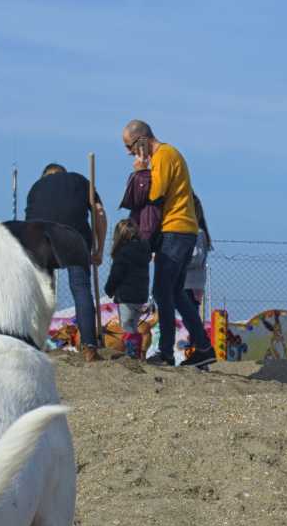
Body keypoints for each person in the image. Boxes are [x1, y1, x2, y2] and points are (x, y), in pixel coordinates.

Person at [123, 120, 214, 367]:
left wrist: (141, 170)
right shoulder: (169, 154)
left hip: (175, 229)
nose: (129, 152)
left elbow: (155, 194)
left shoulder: (163, 155)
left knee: (161, 292)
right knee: (176, 293)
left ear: (141, 139)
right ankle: (204, 347)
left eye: (129, 145)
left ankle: (165, 353)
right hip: (184, 230)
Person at [23, 162, 107, 361]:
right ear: (64, 174)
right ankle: (89, 346)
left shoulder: (36, 188)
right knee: (80, 288)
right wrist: (98, 249)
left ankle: (34, 343)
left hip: (39, 238)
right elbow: (99, 213)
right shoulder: (79, 181)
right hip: (73, 236)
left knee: (41, 291)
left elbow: (26, 224)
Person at [101, 219, 152, 359]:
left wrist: (109, 289)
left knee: (127, 326)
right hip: (140, 295)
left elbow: (116, 275)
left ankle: (131, 355)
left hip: (126, 296)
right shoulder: (144, 250)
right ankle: (135, 353)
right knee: (134, 325)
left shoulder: (122, 253)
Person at [182, 193, 212, 322]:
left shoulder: (198, 233)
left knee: (190, 315)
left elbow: (197, 258)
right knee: (188, 315)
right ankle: (194, 339)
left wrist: (178, 261)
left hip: (191, 283)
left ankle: (196, 339)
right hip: (187, 282)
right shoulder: (191, 232)